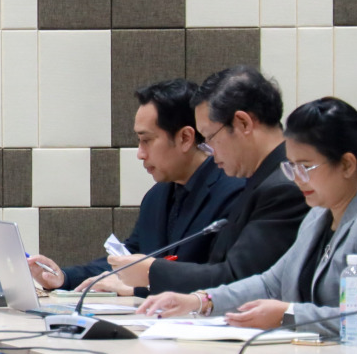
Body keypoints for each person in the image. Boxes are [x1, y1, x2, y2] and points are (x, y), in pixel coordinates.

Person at [139, 98, 357, 344]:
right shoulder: (318, 216)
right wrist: (201, 301)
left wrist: (287, 314)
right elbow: (270, 283)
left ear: (347, 165)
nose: (296, 179)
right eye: (291, 166)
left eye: (305, 167)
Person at [29, 79, 244, 295]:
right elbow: (128, 260)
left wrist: (139, 289)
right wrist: (64, 278)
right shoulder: (156, 196)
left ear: (185, 138)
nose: (140, 154)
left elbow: (224, 280)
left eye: (146, 140)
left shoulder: (234, 193)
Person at [126, 66, 309, 298]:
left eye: (210, 137)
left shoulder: (283, 188)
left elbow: (240, 279)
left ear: (243, 123)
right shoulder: (260, 180)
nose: (209, 150)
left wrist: (152, 271)